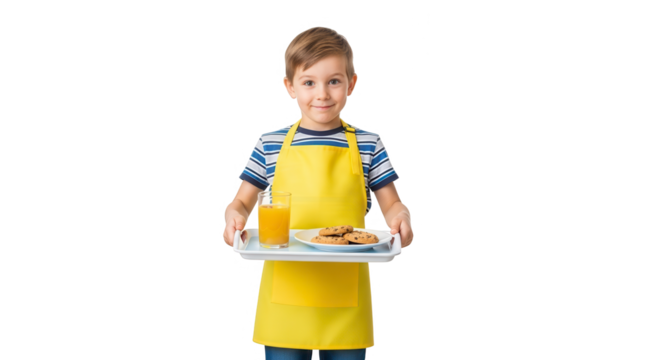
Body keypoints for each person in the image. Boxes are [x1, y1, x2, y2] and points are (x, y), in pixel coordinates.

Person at [222, 25, 413, 360]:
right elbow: (242, 200)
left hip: (345, 294)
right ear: (289, 86)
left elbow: (392, 203)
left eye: (334, 81)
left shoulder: (369, 144)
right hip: (285, 291)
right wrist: (235, 215)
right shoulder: (270, 143)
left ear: (352, 83)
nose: (322, 94)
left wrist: (401, 218)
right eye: (309, 82)